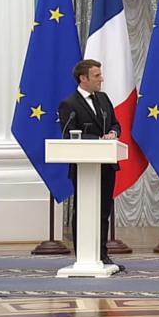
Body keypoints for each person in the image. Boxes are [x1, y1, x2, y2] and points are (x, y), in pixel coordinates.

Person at [58, 59, 125, 272]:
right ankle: (84, 255)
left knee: (103, 211)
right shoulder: (69, 104)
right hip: (85, 167)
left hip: (106, 164)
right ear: (83, 78)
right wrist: (98, 140)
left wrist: (113, 133)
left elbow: (115, 123)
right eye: (97, 76)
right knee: (84, 211)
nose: (101, 79)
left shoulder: (103, 99)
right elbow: (69, 134)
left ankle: (102, 255)